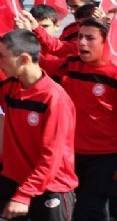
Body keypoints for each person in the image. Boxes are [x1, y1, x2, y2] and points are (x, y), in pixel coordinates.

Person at [15, 17, 117, 220]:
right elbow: (42, 64)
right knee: (104, 208)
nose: (82, 43)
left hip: (109, 156)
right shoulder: (72, 65)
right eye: (79, 37)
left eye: (90, 38)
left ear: (106, 42)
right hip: (75, 154)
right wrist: (26, 38)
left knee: (92, 210)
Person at [0, 29, 78, 220]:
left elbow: (51, 158)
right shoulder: (11, 87)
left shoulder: (54, 99)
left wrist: (25, 194)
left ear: (24, 59)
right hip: (14, 182)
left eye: (2, 56)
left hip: (50, 189)